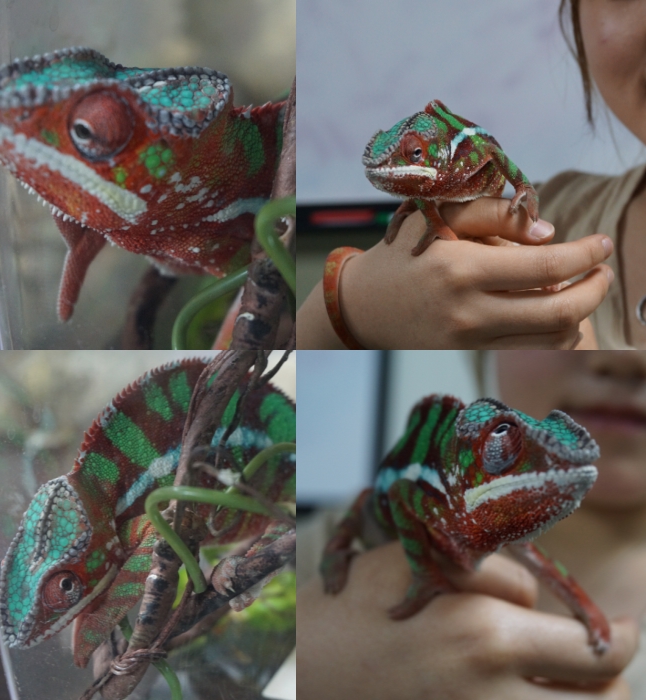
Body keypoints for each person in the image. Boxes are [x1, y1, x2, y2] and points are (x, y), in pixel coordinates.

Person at [297, 0, 645, 350]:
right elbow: (425, 190)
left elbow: (492, 152)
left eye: (414, 153)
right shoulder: (559, 210)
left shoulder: (468, 160)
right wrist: (349, 306)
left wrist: (521, 185)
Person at [297, 351, 646, 698]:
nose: (624, 357)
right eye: (503, 448)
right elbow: (401, 492)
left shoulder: (505, 527)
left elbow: (550, 570)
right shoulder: (306, 547)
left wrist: (589, 614)